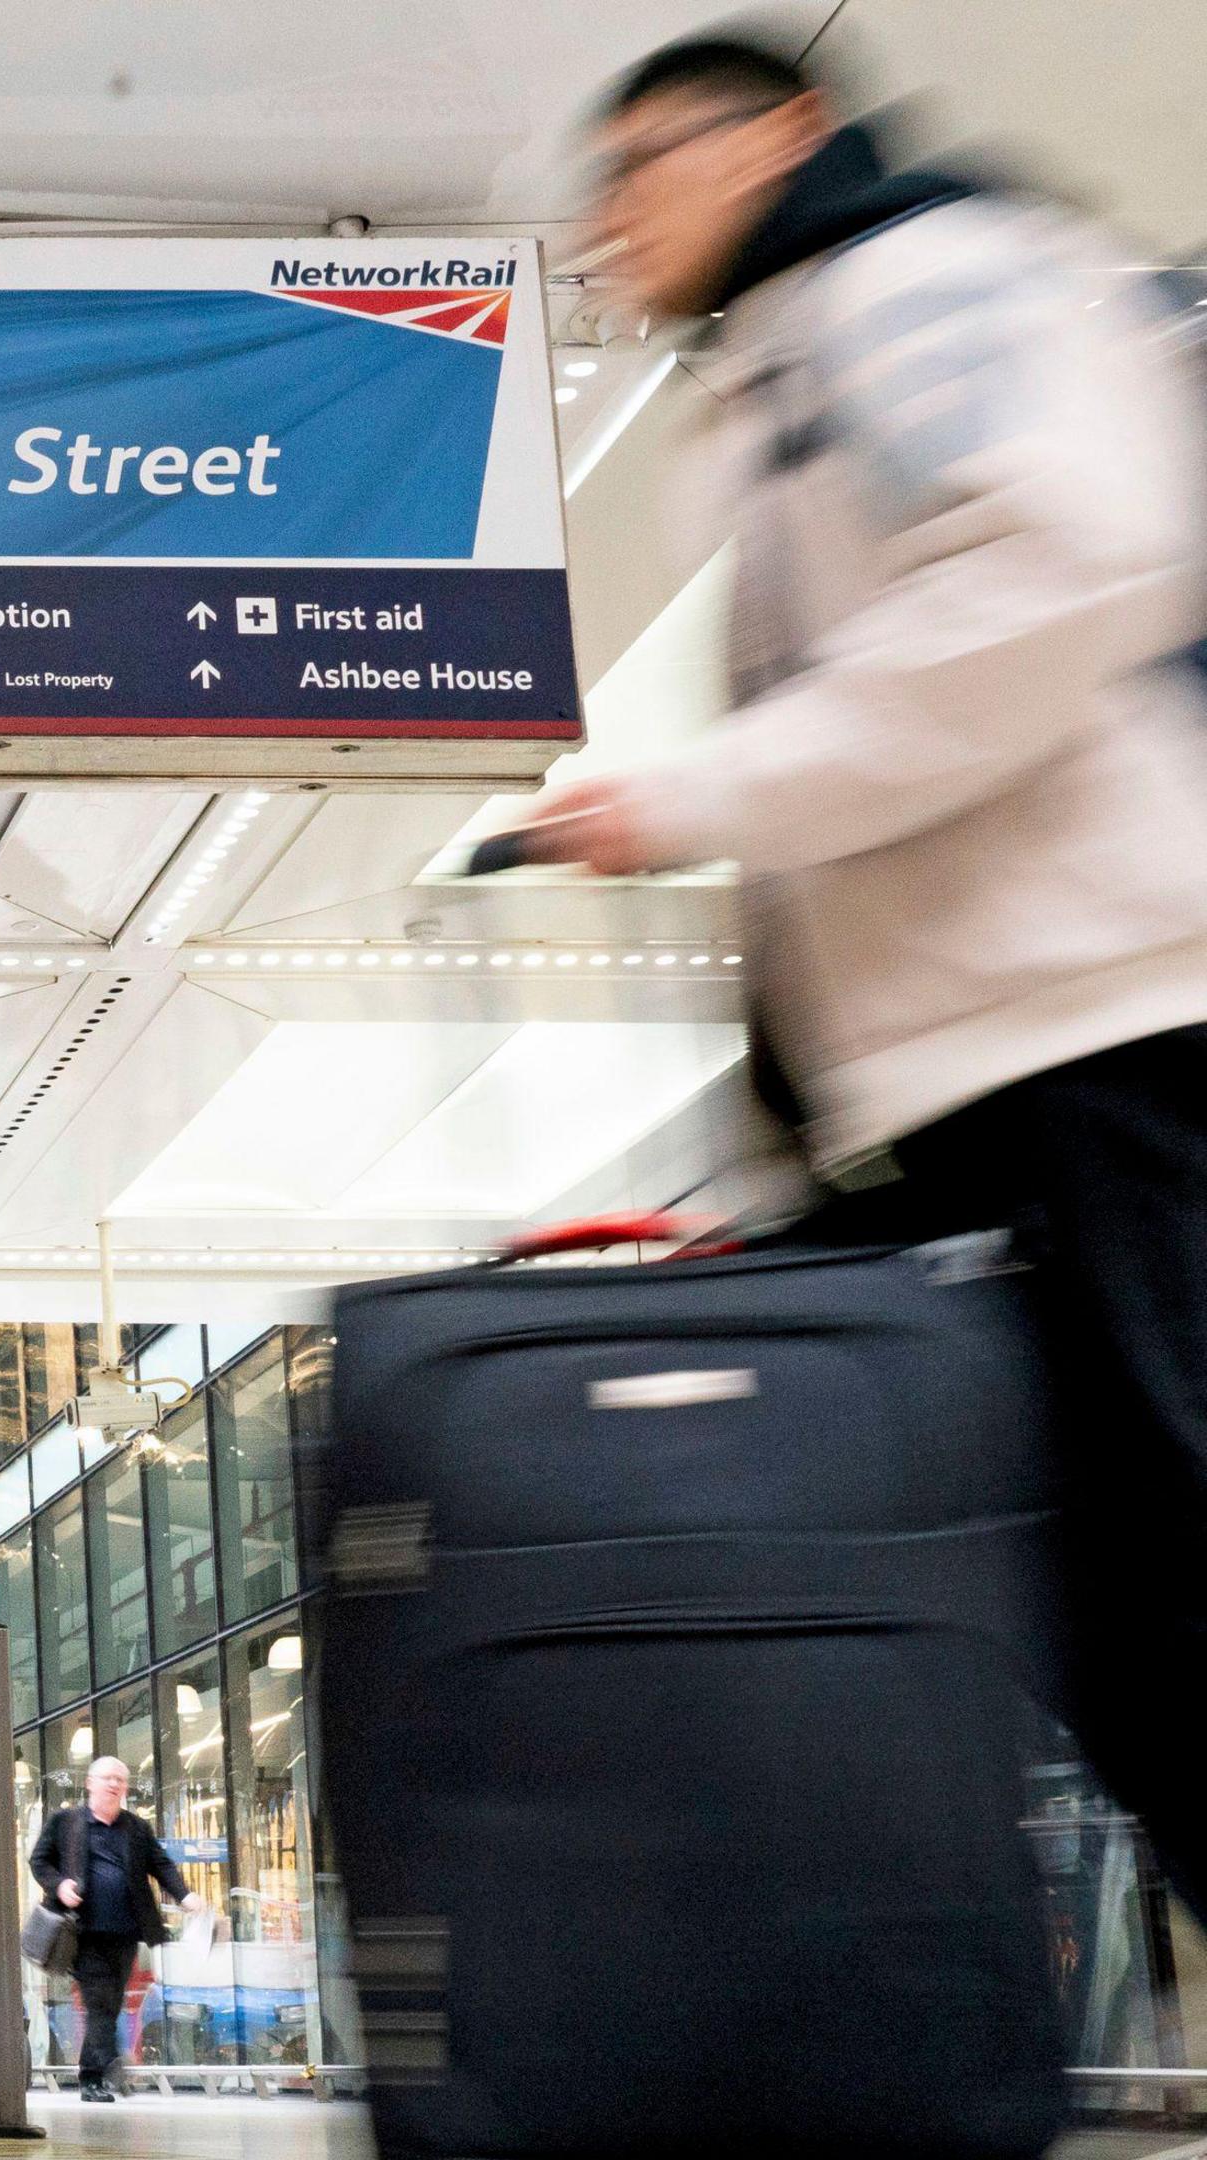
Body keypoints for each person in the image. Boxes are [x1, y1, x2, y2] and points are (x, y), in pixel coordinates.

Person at [514, 36, 1207, 1923]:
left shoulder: (927, 278)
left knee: (1165, 1577)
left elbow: (1064, 565)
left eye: (645, 162)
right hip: (985, 1077)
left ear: (789, 133)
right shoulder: (784, 362)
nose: (613, 218)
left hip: (1109, 1027)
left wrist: (700, 793)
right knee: (1101, 1606)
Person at [30, 1757, 190, 2102]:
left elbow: (161, 1865)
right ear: (90, 1783)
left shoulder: (135, 1827)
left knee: (109, 2006)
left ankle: (95, 2076)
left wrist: (185, 1896)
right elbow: (39, 1861)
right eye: (107, 1778)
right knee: (99, 2001)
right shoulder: (66, 1822)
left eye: (120, 1779)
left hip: (126, 1933)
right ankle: (105, 2070)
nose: (114, 1784)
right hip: (82, 1933)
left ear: (126, 1788)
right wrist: (59, 1886)